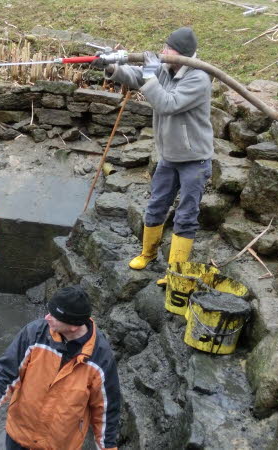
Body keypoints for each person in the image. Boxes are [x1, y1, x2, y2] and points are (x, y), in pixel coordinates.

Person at [95, 27, 213, 286]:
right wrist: (112, 67)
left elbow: (167, 104)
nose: (162, 51)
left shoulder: (198, 78)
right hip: (169, 155)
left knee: (186, 214)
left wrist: (149, 75)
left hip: (194, 159)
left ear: (180, 53)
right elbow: (137, 76)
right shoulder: (166, 68)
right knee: (157, 204)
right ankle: (148, 254)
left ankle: (175, 271)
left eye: (167, 48)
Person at [0, 285, 121, 450]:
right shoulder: (34, 334)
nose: (47, 317)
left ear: (73, 326)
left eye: (54, 316)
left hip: (59, 444)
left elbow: (106, 411)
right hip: (19, 436)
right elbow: (5, 374)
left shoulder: (100, 358)